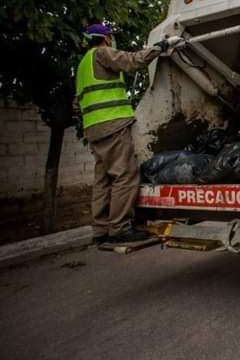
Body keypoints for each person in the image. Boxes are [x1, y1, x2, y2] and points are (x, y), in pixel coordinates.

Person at [76, 24, 181, 244]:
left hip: (94, 129)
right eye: (111, 36)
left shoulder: (84, 63)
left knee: (103, 179)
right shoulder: (102, 53)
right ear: (105, 38)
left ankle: (100, 231)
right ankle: (119, 228)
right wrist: (159, 47)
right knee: (125, 176)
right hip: (111, 125)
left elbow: (78, 103)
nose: (112, 40)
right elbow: (133, 62)